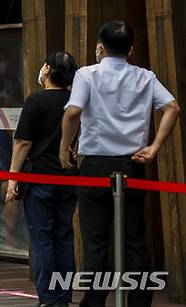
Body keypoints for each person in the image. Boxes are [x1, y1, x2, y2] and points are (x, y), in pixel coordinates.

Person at [60, 21, 180, 307]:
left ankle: (95, 301)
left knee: (95, 242)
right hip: (133, 165)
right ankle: (139, 302)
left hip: (95, 167)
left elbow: (73, 111)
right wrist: (154, 148)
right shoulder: (145, 77)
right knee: (135, 241)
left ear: (100, 48)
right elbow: (172, 107)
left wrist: (64, 147)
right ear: (131, 49)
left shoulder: (87, 74)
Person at [5, 51, 79, 307]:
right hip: (69, 178)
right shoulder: (76, 100)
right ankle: (64, 297)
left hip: (40, 179)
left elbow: (23, 142)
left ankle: (48, 299)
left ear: (46, 69)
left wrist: (13, 178)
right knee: (64, 237)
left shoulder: (35, 101)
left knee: (42, 239)